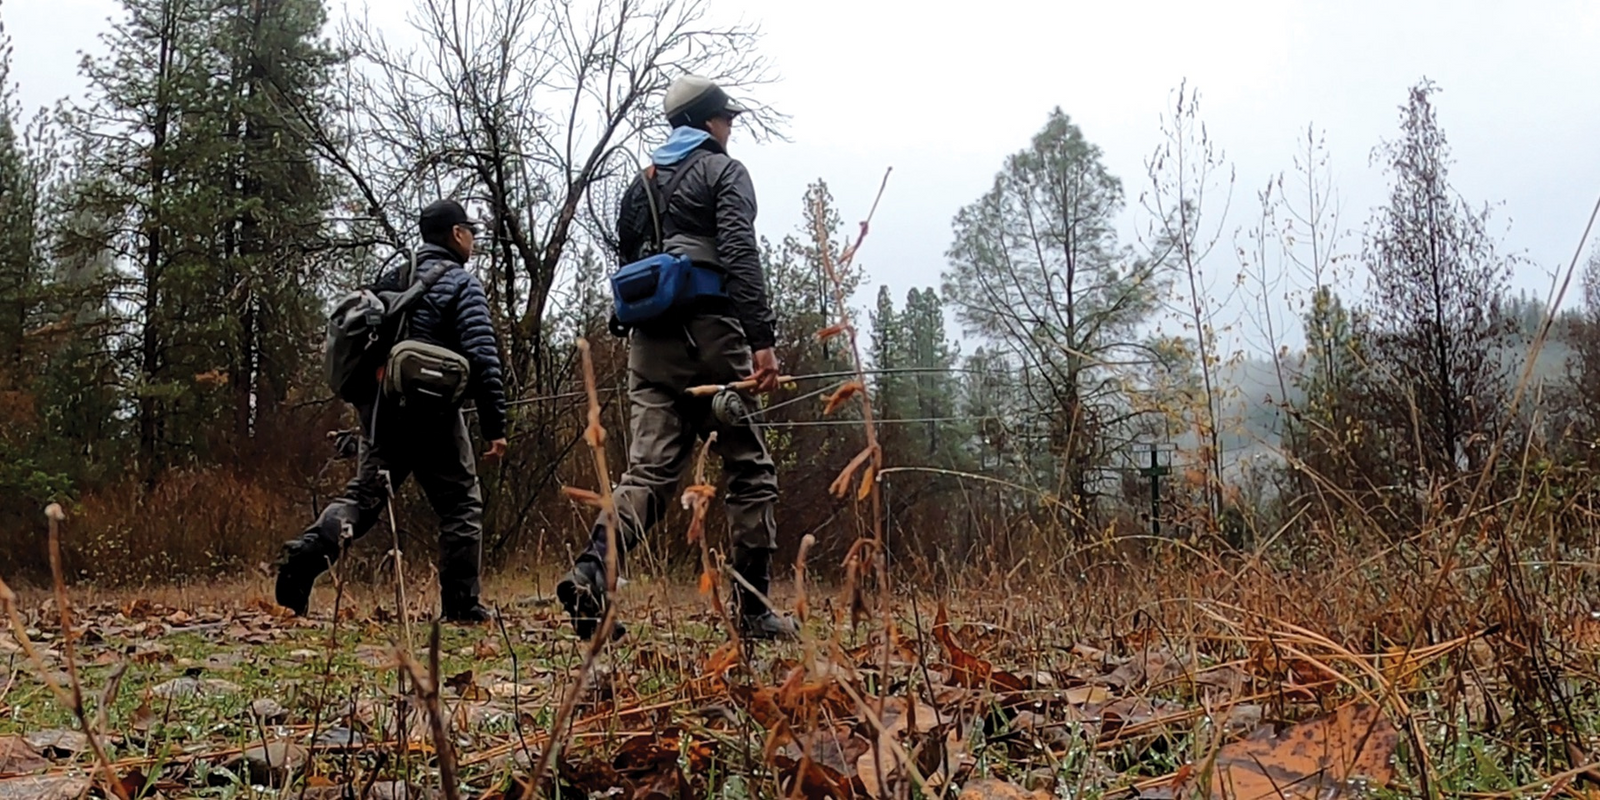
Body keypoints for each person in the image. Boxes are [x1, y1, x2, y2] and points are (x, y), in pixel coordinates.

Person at [556, 75, 797, 641]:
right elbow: (739, 251)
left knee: (648, 473)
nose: (732, 126)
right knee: (750, 468)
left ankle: (592, 572)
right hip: (712, 336)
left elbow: (628, 262)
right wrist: (761, 338)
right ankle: (754, 609)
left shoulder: (640, 186)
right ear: (709, 122)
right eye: (727, 117)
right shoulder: (724, 171)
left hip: (648, 343)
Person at [276, 199, 509, 624]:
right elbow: (484, 358)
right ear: (456, 234)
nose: (473, 239)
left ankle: (309, 552)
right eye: (470, 231)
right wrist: (495, 427)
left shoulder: (391, 279)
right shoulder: (461, 283)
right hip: (436, 416)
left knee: (363, 499)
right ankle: (461, 606)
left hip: (384, 411)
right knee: (460, 505)